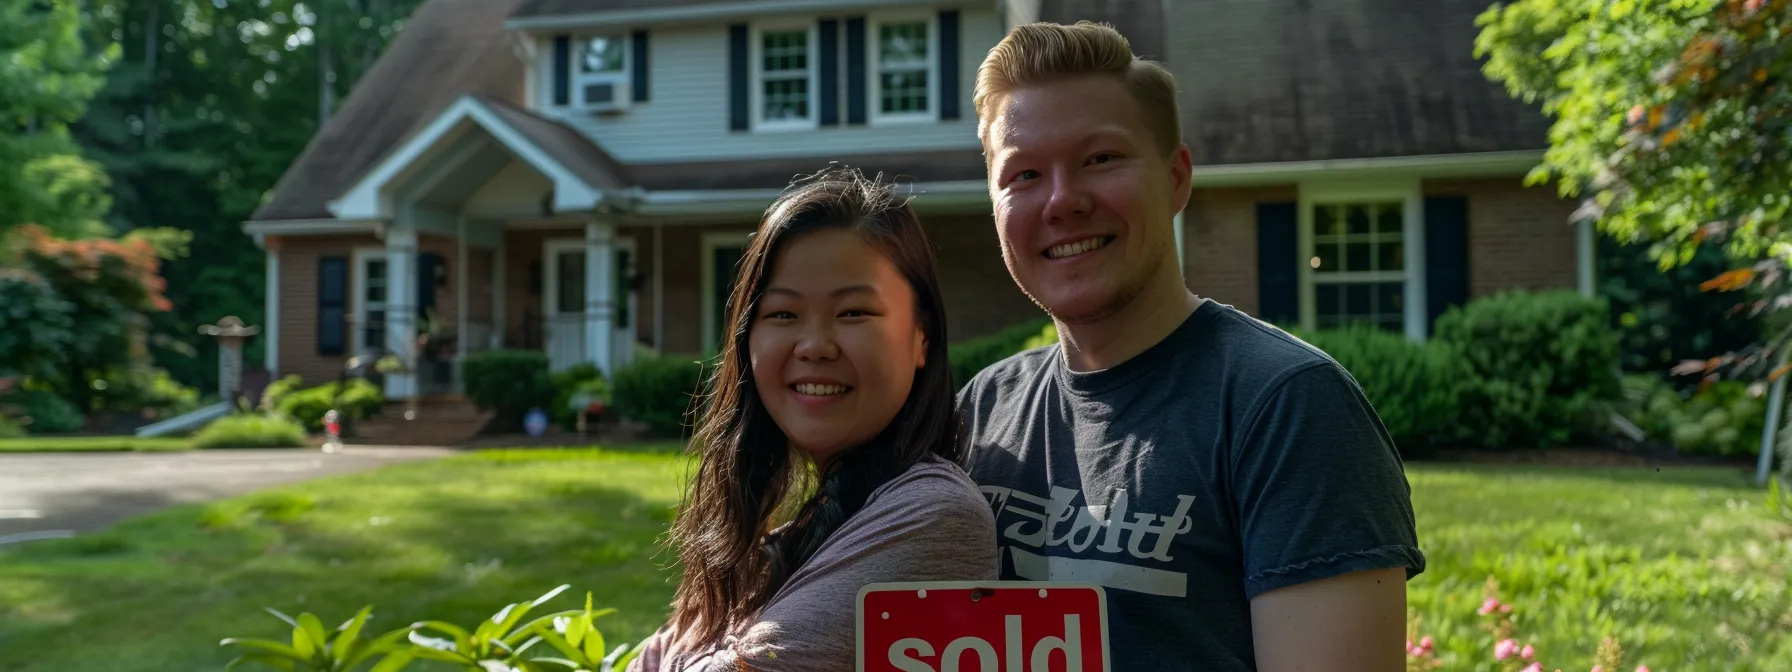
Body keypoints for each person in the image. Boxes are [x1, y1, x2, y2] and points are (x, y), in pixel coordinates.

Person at [955, 21, 1426, 671]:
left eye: (1100, 159)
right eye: (1024, 174)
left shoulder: (1285, 407)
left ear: (1176, 178)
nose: (1062, 202)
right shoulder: (982, 412)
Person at [628, 167, 999, 671]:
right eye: (783, 314)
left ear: (921, 338)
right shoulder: (800, 525)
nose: (814, 346)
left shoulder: (933, 515)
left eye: (854, 313)